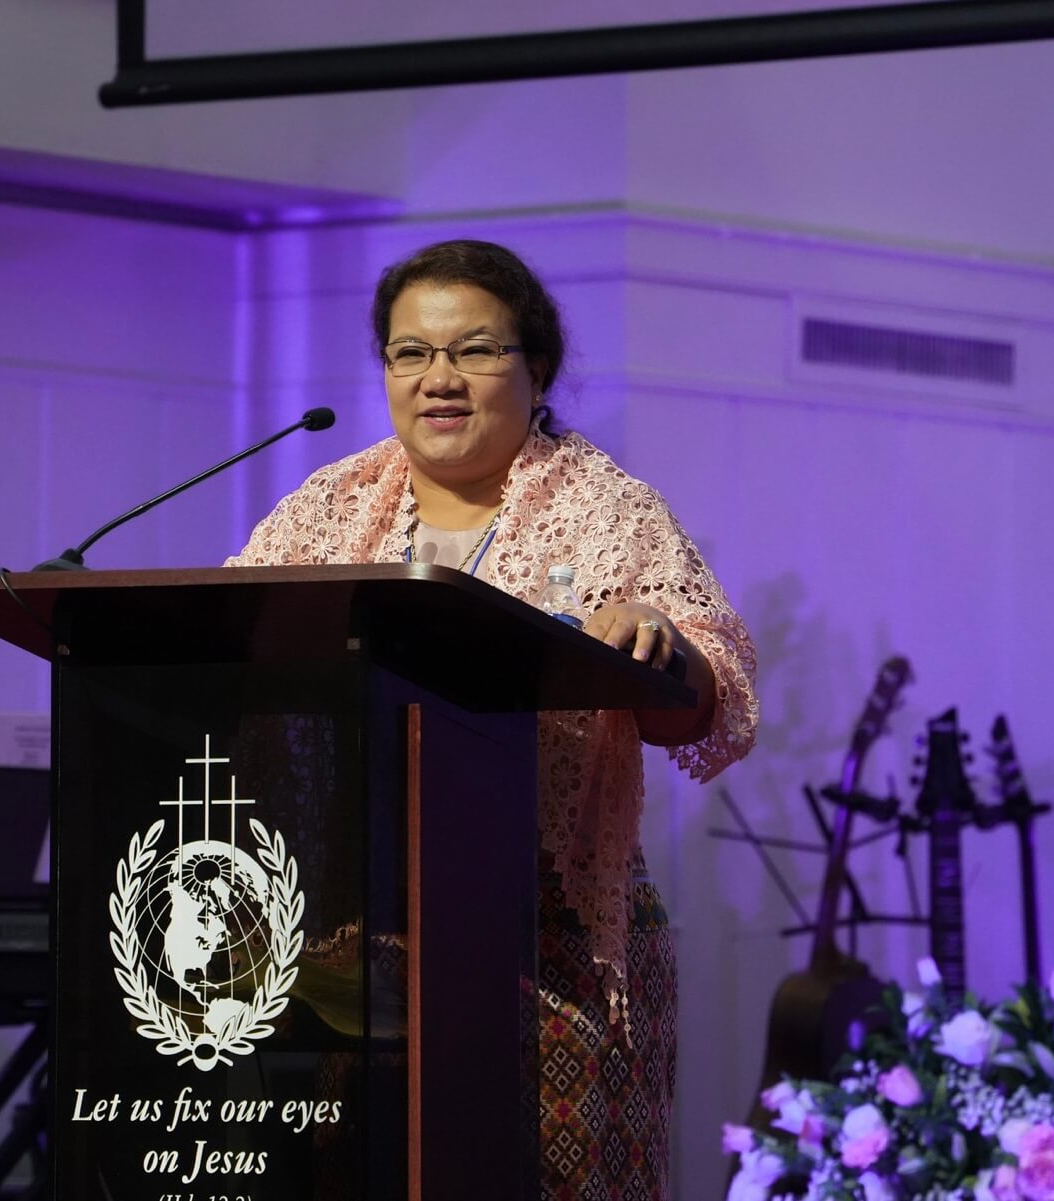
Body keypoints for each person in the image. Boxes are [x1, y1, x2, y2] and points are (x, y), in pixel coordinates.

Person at [227, 239, 759, 1200]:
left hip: (553, 937)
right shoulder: (330, 506)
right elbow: (230, 640)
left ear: (536, 368)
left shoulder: (610, 512)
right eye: (410, 353)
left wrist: (659, 636)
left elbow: (712, 684)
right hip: (362, 945)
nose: (439, 378)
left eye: (474, 350)